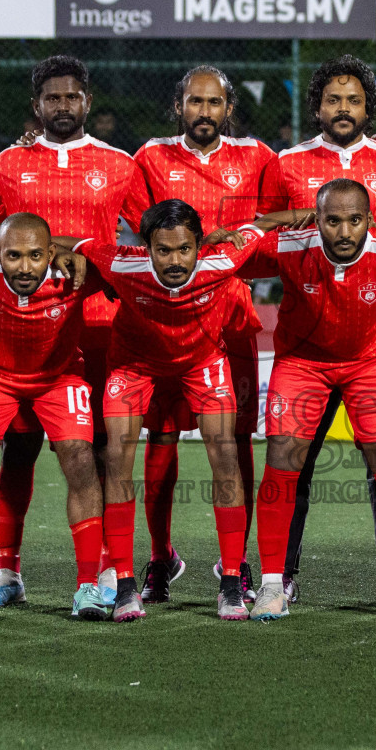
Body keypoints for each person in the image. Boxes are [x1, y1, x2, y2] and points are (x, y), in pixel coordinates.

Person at [0, 55, 149, 605]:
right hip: (21, 333)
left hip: (100, 329)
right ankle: (7, 571)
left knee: (95, 454)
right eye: (53, 98)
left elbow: (151, 233)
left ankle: (100, 571)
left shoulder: (120, 164)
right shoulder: (6, 163)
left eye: (72, 97)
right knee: (15, 452)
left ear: (87, 102)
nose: (63, 106)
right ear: (37, 105)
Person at [235, 179, 376, 621]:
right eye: (332, 221)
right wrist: (270, 223)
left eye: (354, 220)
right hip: (302, 361)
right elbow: (237, 254)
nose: (344, 232)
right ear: (316, 219)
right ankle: (272, 584)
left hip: (372, 360)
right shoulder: (289, 247)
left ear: (370, 220)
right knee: (284, 453)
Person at [257, 55, 376, 602]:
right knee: (288, 461)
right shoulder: (286, 164)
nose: (342, 109)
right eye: (332, 99)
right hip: (302, 349)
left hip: (373, 346)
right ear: (317, 106)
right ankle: (280, 579)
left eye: (353, 100)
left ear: (368, 106)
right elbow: (266, 237)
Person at [66, 200, 262, 622]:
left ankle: (230, 583)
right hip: (135, 364)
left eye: (185, 249)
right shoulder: (122, 262)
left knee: (225, 453)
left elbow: (261, 229)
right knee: (117, 458)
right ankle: (123, 585)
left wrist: (225, 232)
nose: (175, 261)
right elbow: (77, 243)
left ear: (199, 245)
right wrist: (67, 253)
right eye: (163, 250)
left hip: (202, 361)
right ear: (146, 247)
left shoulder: (225, 256)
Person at [130, 66, 272, 602]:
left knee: (235, 441)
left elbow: (285, 212)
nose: (205, 111)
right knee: (161, 437)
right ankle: (160, 558)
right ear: (178, 106)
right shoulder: (150, 157)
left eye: (215, 102)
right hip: (168, 322)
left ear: (229, 108)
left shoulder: (258, 157)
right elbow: (138, 228)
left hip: (232, 319)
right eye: (195, 101)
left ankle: (235, 561)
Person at [0, 213, 109, 621]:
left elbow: (123, 258)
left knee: (80, 459)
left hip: (59, 377)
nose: (25, 267)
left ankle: (88, 586)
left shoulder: (78, 276)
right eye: (13, 255)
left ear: (52, 253)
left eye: (36, 256)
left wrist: (80, 249)